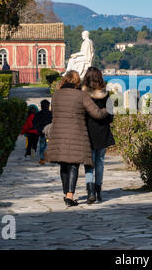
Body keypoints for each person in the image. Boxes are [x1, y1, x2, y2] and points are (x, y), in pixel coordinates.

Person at [45, 70, 108, 207]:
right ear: (77, 82)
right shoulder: (81, 95)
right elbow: (96, 113)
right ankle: (69, 195)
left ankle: (66, 192)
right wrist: (107, 110)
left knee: (63, 163)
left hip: (58, 133)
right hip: (76, 133)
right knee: (73, 164)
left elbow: (53, 113)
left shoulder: (56, 95)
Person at [82, 67, 115, 204]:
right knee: (100, 162)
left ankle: (90, 192)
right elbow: (111, 117)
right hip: (102, 132)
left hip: (87, 133)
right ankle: (98, 190)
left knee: (89, 163)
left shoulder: (82, 95)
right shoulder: (107, 95)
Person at [32, 99, 52, 165]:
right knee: (49, 146)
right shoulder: (51, 114)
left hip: (42, 132)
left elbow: (34, 123)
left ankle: (42, 158)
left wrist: (38, 129)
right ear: (48, 106)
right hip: (50, 132)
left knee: (42, 146)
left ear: (41, 106)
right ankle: (48, 158)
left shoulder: (38, 114)